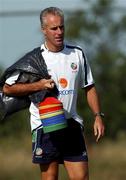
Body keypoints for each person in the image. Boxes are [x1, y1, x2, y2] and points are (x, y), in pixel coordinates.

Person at [3, 7, 105, 180]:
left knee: (81, 177)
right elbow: (7, 88)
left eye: (61, 27)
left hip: (71, 122)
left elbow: (89, 87)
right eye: (53, 28)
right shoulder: (34, 59)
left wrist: (97, 116)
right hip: (45, 125)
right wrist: (39, 85)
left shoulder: (77, 54)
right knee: (50, 178)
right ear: (43, 30)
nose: (59, 32)